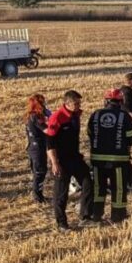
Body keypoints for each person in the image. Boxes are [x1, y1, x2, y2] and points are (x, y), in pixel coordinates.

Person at [89, 89, 132, 223]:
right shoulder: (124, 116)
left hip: (98, 159)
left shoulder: (95, 114)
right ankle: (117, 216)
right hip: (118, 160)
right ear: (120, 102)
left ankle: (96, 214)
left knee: (98, 188)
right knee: (118, 189)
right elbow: (130, 136)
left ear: (106, 101)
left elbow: (89, 133)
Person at [45, 90, 94, 232]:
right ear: (67, 103)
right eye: (76, 103)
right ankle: (62, 223)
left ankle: (85, 216)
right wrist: (54, 163)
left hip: (75, 157)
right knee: (61, 193)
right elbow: (50, 143)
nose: (79, 105)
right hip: (61, 161)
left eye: (79, 103)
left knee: (88, 183)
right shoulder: (57, 118)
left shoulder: (76, 115)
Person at [25, 94, 50, 203]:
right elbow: (47, 130)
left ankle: (38, 194)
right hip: (37, 147)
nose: (45, 105)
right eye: (43, 103)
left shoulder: (31, 115)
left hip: (34, 146)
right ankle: (37, 196)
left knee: (39, 171)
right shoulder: (35, 117)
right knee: (40, 171)